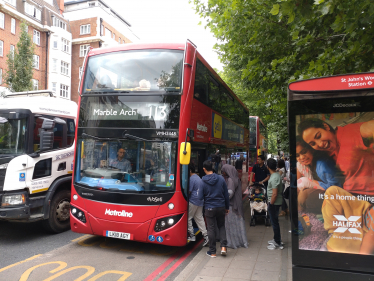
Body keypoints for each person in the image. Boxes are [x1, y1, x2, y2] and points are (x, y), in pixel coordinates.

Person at [298, 118, 374, 195]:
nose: (320, 144)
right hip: (348, 197)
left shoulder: (349, 132)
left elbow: (371, 126)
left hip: (366, 197)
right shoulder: (325, 155)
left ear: (326, 127)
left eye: (318, 136)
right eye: (313, 144)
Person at [198, 160, 230, 258]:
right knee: (221, 226)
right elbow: (226, 194)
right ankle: (223, 247)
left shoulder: (202, 181)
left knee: (211, 229)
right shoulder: (221, 178)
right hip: (221, 206)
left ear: (204, 169)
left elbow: (199, 197)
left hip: (209, 208)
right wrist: (227, 207)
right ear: (212, 167)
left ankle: (212, 252)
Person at [221, 164, 248, 249]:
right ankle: (241, 241)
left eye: (224, 171)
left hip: (231, 205)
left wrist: (222, 199)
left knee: (230, 225)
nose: (223, 173)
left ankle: (233, 242)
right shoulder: (236, 178)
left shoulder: (230, 180)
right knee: (237, 224)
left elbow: (230, 193)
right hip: (236, 205)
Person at [187, 163, 209, 247]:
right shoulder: (198, 178)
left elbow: (189, 191)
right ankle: (206, 236)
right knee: (199, 218)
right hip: (200, 201)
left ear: (189, 171)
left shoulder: (191, 179)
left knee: (188, 217)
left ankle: (192, 235)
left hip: (193, 201)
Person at [266, 158, 284, 250]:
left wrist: (271, 204)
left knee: (274, 223)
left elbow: (275, 193)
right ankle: (277, 239)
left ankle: (277, 242)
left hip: (274, 203)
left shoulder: (274, 178)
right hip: (275, 202)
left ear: (268, 167)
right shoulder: (275, 175)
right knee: (275, 222)